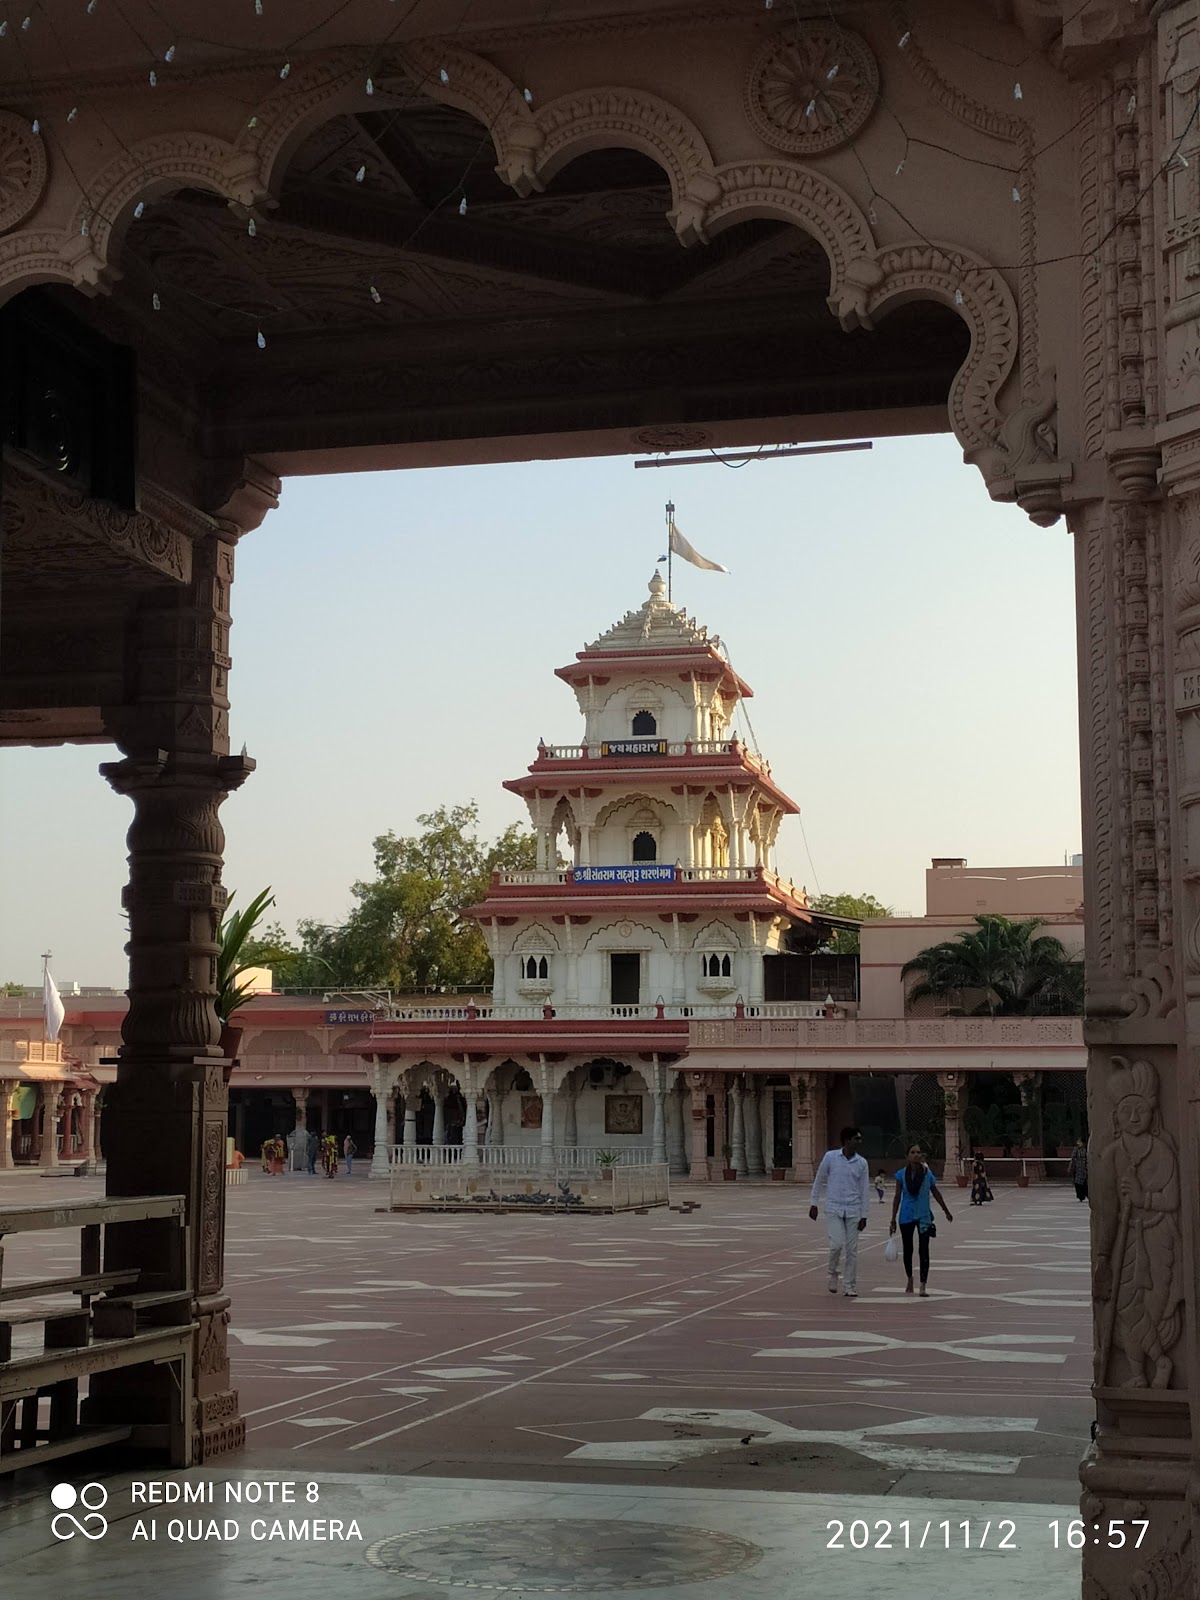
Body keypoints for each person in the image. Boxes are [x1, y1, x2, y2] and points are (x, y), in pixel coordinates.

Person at [809, 1126, 871, 1298]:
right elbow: (819, 1179)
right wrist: (813, 1203)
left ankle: (849, 1285)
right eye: (856, 1139)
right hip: (834, 1208)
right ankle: (833, 1273)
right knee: (836, 1245)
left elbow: (865, 1190)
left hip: (853, 1210)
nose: (859, 1142)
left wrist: (864, 1215)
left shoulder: (862, 1163)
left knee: (852, 1250)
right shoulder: (831, 1157)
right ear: (847, 1141)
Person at [889, 1144, 953, 1296]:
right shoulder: (901, 1175)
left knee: (924, 1250)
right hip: (906, 1215)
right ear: (907, 1156)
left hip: (924, 1216)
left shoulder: (927, 1174)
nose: (916, 1155)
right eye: (912, 1152)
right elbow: (897, 1196)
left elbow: (935, 1192)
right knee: (908, 1249)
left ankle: (923, 1284)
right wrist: (892, 1218)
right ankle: (910, 1278)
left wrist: (946, 1210)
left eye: (918, 1152)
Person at [1068, 1137, 1088, 1202]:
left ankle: (1086, 1194)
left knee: (1085, 1183)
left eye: (1079, 1142)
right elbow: (1073, 1159)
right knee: (1078, 1183)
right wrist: (1070, 1167)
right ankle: (1080, 1196)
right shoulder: (1076, 1149)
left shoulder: (1086, 1149)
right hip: (1078, 1169)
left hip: (1084, 1169)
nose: (1078, 1143)